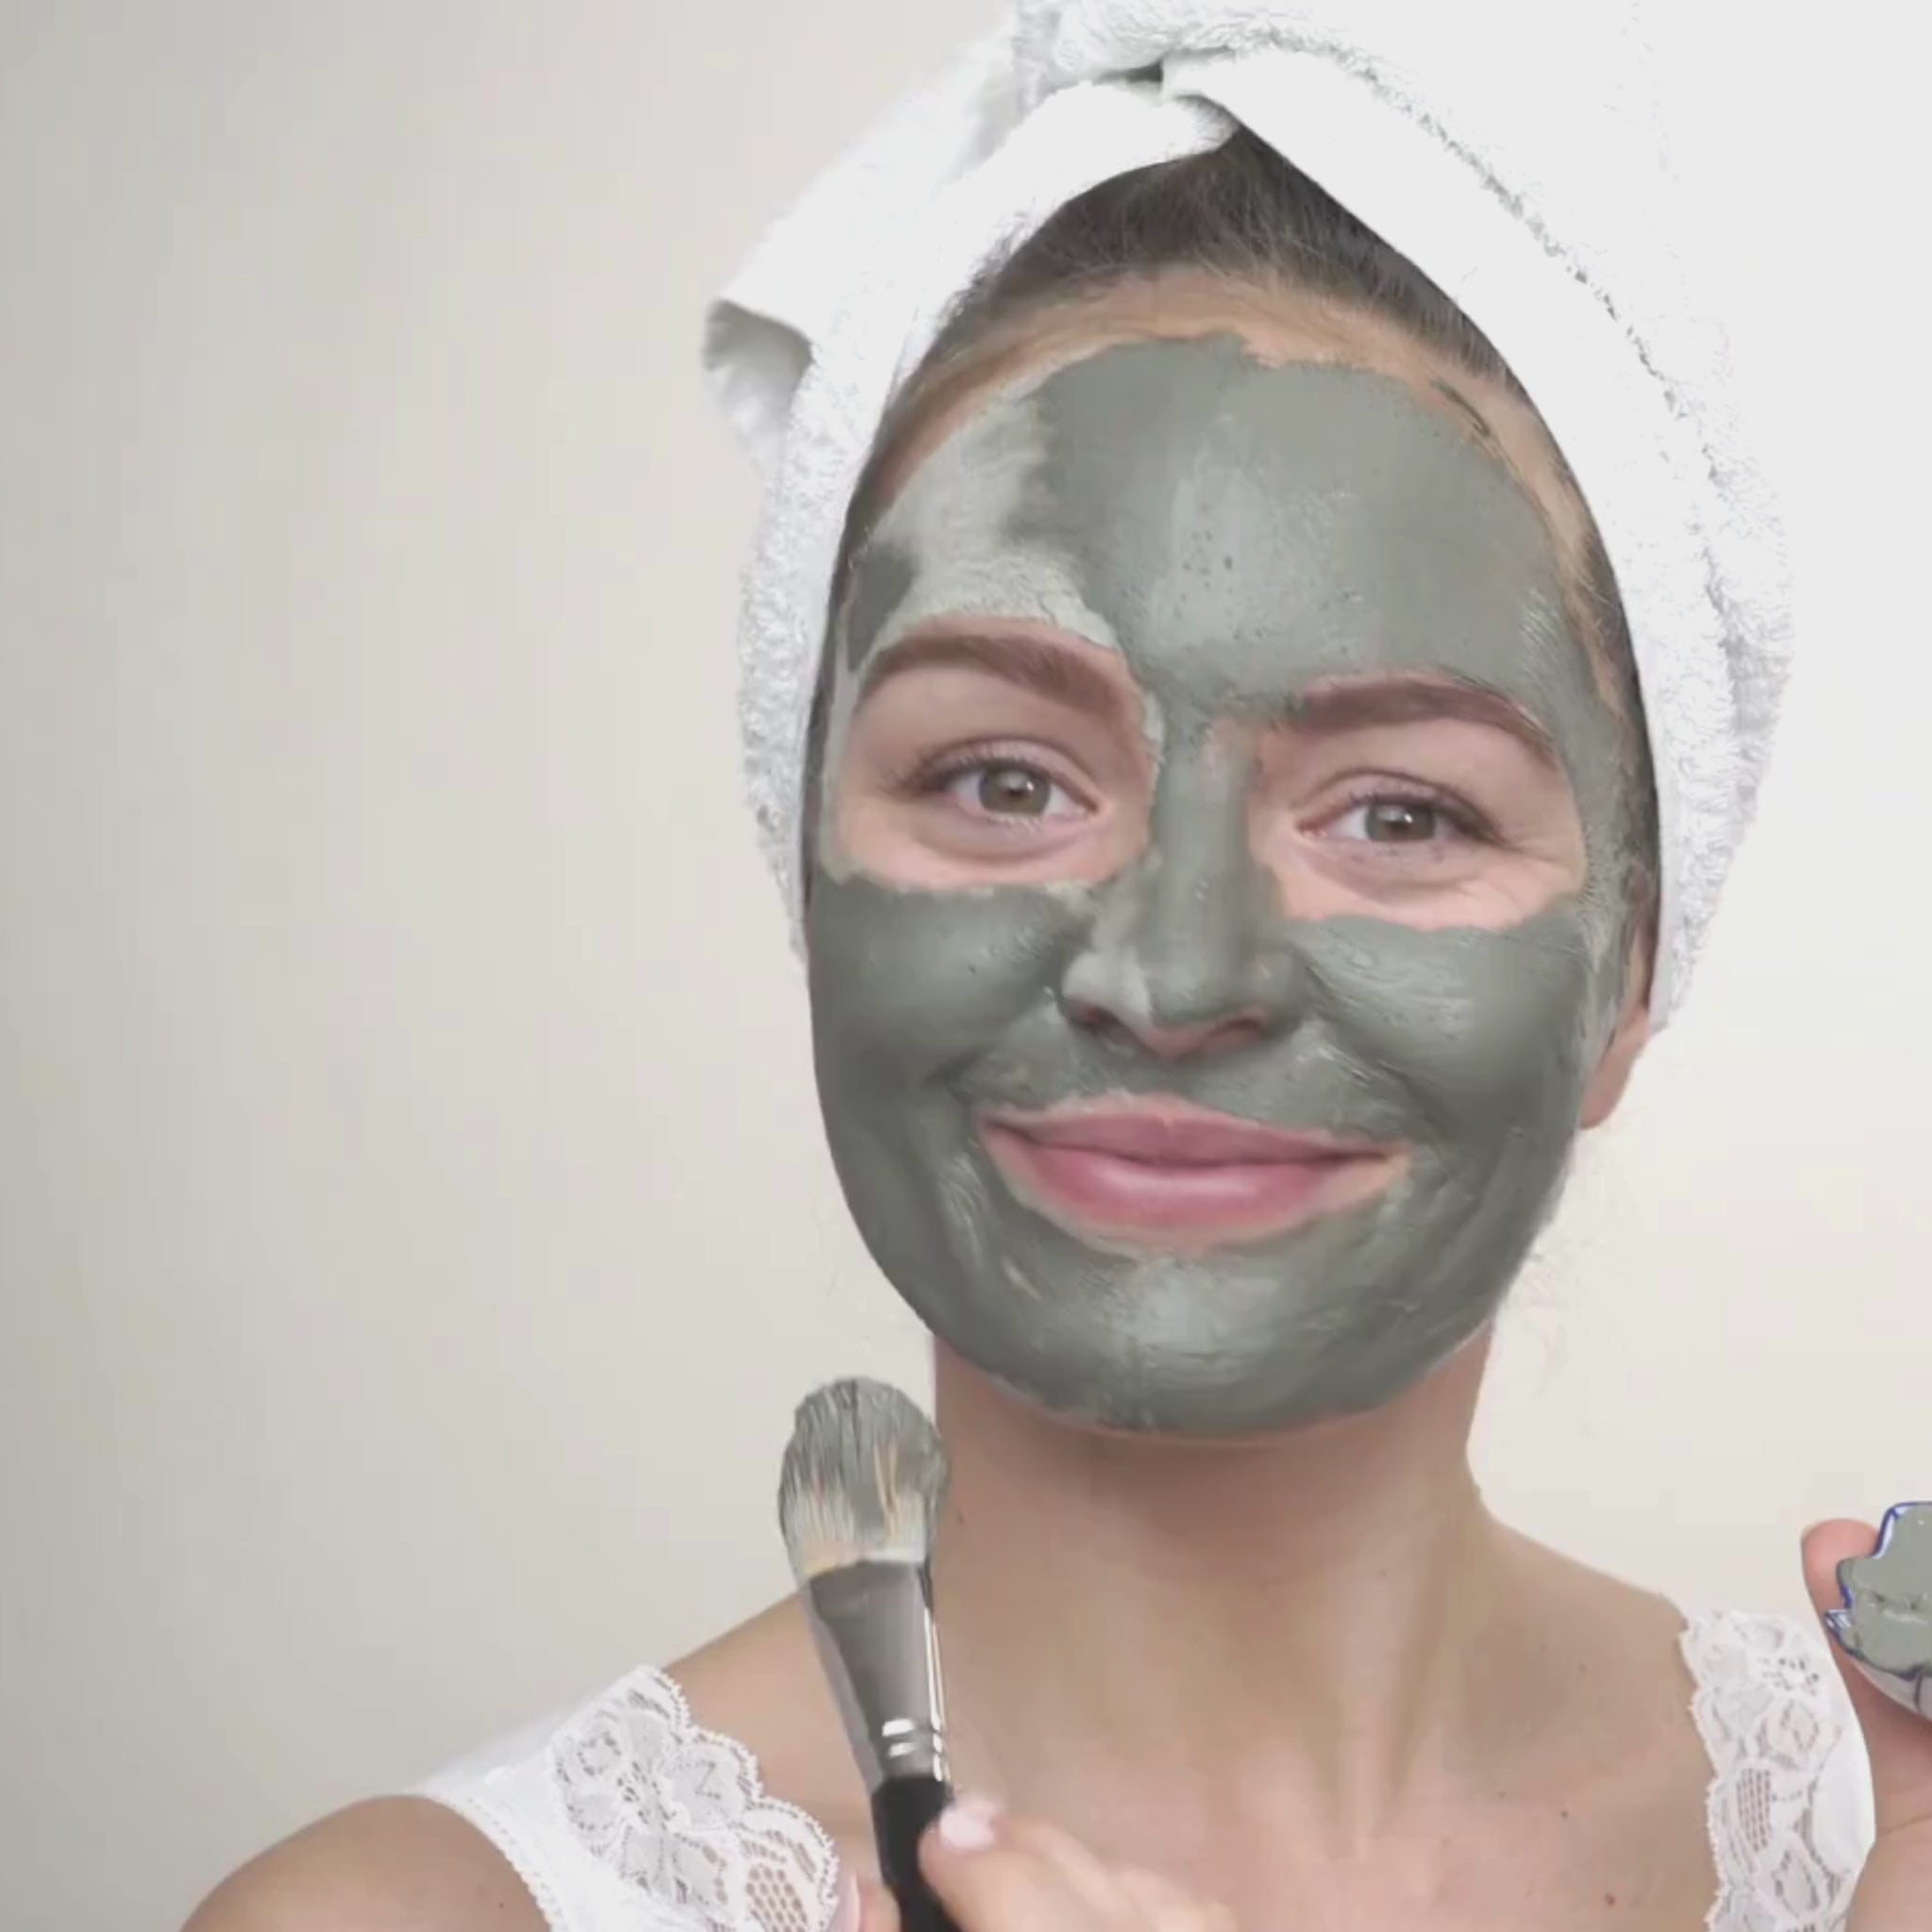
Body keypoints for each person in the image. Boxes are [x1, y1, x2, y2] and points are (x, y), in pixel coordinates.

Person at [187, 5, 1932, 1929]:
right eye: (1004, 778)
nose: (1172, 973)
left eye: (1402, 813)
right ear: (815, 893)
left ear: (1630, 972)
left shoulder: (1888, 1843)